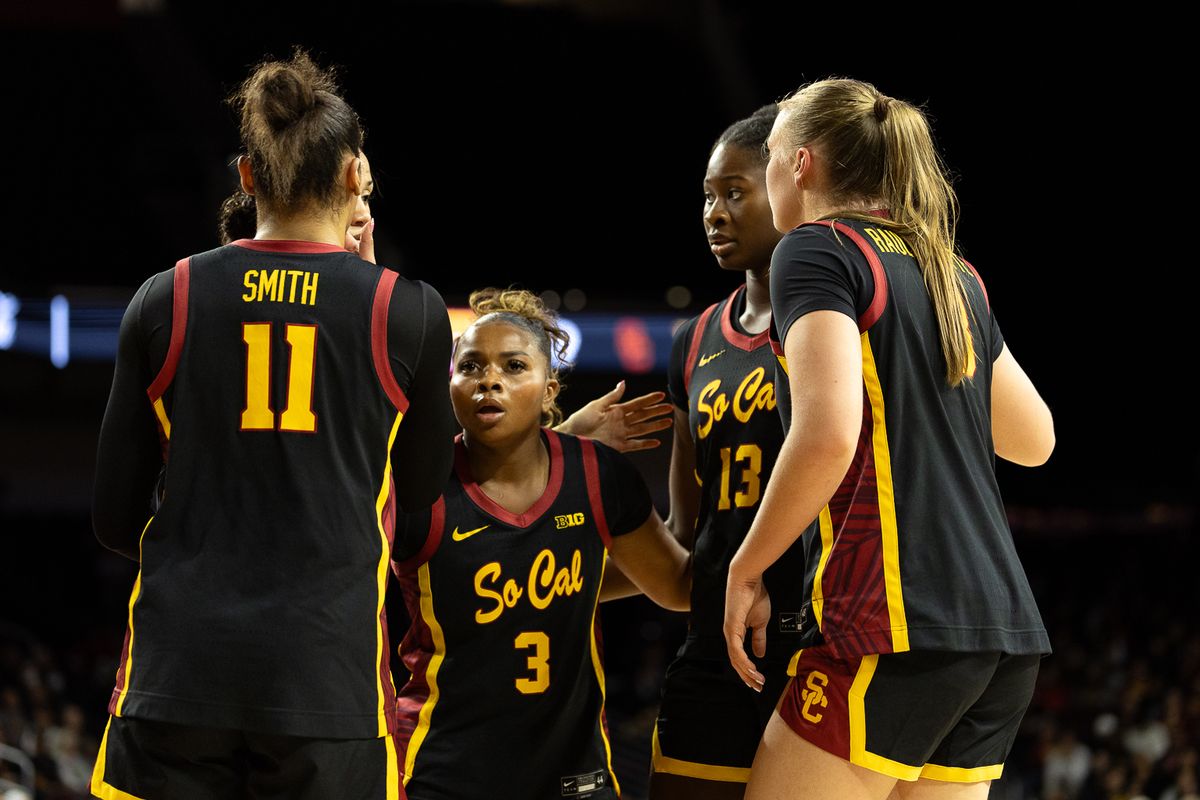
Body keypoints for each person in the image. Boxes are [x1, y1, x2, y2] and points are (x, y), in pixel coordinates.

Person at [89, 49, 457, 799]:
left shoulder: (165, 297)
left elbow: (114, 519)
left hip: (175, 675)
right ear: (357, 177)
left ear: (247, 176)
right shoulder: (408, 311)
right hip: (328, 680)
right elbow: (419, 499)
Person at [722, 78, 1055, 800]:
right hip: (999, 634)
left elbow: (827, 435)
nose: (769, 171)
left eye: (770, 154)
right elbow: (1035, 440)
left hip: (891, 620)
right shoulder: (950, 269)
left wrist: (746, 567)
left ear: (801, 163)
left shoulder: (814, 249)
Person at [392, 288, 692, 800]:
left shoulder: (598, 474)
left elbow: (677, 586)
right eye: (471, 366)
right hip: (444, 770)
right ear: (450, 384)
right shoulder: (418, 487)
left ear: (550, 388)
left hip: (574, 773)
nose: (489, 380)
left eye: (513, 366)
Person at [647, 104, 807, 800]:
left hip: (813, 639)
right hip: (714, 641)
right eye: (708, 197)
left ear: (784, 186)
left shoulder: (830, 324)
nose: (714, 213)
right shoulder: (694, 340)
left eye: (734, 193)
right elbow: (684, 531)